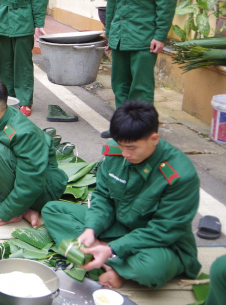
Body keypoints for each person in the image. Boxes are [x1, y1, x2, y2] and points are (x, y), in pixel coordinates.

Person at [41, 101, 201, 289]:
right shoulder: (117, 152)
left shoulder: (179, 175)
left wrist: (112, 249)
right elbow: (103, 196)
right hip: (118, 226)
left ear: (154, 139)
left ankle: (107, 262)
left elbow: (163, 230)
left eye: (132, 148)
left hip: (157, 242)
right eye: (120, 145)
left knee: (152, 269)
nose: (125, 153)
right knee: (53, 210)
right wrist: (91, 229)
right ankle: (110, 260)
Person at [103, 0, 177, 138]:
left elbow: (166, 2)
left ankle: (144, 131)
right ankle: (121, 128)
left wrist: (160, 35)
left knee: (141, 88)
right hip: (120, 36)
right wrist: (109, 34)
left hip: (145, 37)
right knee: (119, 85)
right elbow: (112, 2)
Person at [0, 79, 67, 228]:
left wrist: (2, 213)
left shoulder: (24, 134)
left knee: (0, 150)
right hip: (14, 181)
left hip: (42, 188)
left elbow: (31, 184)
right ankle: (24, 210)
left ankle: (13, 211)